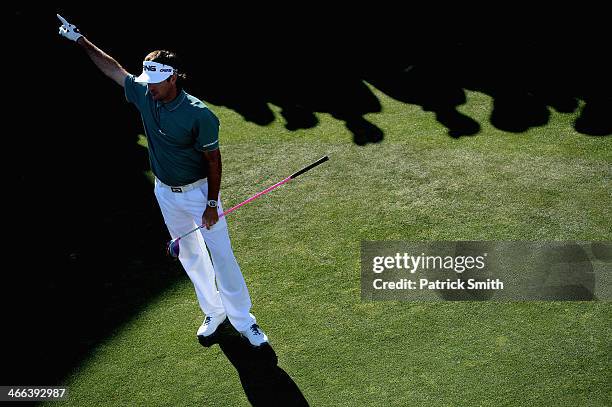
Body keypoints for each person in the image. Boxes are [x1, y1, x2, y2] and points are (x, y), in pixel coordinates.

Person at [57, 14, 269, 347]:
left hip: (200, 194)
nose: (148, 87)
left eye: (154, 83)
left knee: (222, 256)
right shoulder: (145, 93)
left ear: (172, 79)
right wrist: (80, 40)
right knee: (189, 254)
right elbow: (115, 71)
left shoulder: (200, 114)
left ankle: (245, 321)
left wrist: (212, 204)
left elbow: (214, 161)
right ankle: (213, 311)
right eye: (146, 82)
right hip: (165, 194)